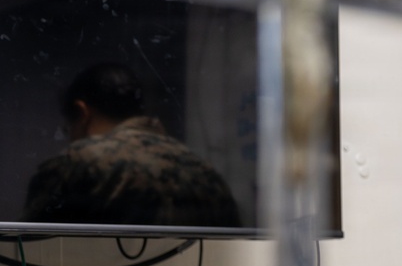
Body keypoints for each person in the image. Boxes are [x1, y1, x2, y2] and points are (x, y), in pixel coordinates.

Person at [23, 62, 241, 228]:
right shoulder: (203, 170)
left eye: (67, 128)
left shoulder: (80, 161)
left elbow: (26, 248)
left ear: (82, 113)